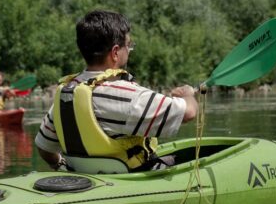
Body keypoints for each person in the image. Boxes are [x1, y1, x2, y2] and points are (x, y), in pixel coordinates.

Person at [35, 9, 197, 173]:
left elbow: (44, 147)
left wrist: (59, 165)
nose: (129, 50)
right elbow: (189, 113)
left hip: (83, 181)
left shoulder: (66, 95)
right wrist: (188, 94)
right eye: (128, 45)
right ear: (115, 53)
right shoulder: (127, 96)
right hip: (130, 179)